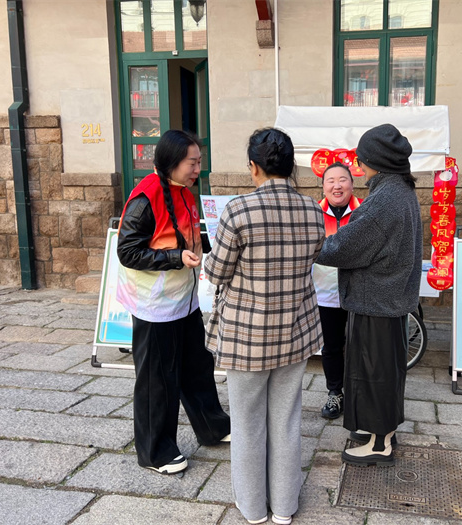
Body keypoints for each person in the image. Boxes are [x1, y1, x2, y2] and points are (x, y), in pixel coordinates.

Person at [204, 128, 325, 525]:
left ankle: (254, 509)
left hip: (247, 335)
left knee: (247, 423)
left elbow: (216, 271)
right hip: (295, 330)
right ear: (290, 166)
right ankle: (284, 508)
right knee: (287, 421)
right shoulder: (312, 210)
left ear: (253, 167)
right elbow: (313, 256)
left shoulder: (238, 210)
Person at [117, 129, 230, 475]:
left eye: (199, 162)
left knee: (197, 367)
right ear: (171, 162)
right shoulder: (145, 198)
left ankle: (212, 426)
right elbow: (127, 251)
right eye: (192, 163)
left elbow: (188, 236)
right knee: (157, 379)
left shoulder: (183, 191)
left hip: (183, 299)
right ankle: (155, 451)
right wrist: (174, 258)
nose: (197, 169)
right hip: (154, 305)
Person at [316, 123, 423, 467]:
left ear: (375, 161)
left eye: (361, 159)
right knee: (385, 373)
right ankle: (381, 432)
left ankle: (379, 443)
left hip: (376, 301)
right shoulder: (401, 192)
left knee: (374, 373)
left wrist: (310, 245)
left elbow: (343, 248)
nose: (359, 166)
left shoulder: (383, 201)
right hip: (389, 300)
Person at [313, 162, 362, 419]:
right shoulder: (313, 213)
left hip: (359, 294)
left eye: (342, 179)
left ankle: (359, 394)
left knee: (361, 346)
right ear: (323, 186)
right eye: (330, 180)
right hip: (325, 293)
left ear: (352, 184)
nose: (337, 185)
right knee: (331, 347)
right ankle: (335, 392)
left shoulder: (364, 211)